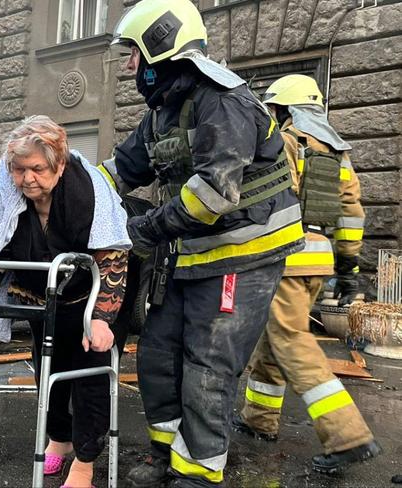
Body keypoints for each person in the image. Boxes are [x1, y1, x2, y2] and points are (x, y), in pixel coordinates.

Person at [98, 1, 306, 486]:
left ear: (161, 45)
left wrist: (142, 231)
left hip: (242, 253)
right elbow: (120, 171)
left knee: (208, 365)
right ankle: (166, 453)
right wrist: (67, 190)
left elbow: (212, 194)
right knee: (158, 355)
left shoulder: (223, 100)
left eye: (133, 52)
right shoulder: (163, 112)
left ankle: (198, 473)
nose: (130, 65)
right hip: (191, 254)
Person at [0, 115, 132, 488]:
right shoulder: (8, 196)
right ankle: (59, 441)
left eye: (37, 169)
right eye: (19, 169)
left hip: (93, 294)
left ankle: (85, 462)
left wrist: (101, 319)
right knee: (49, 370)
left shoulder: (86, 190)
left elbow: (112, 257)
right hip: (42, 296)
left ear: (58, 165)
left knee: (90, 375)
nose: (27, 178)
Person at [233, 74, 382, 472]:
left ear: (283, 109)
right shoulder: (337, 153)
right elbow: (352, 213)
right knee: (276, 336)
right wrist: (349, 265)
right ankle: (258, 419)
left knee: (291, 339)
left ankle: (348, 436)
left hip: (287, 256)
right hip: (319, 259)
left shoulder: (284, 141)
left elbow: (264, 197)